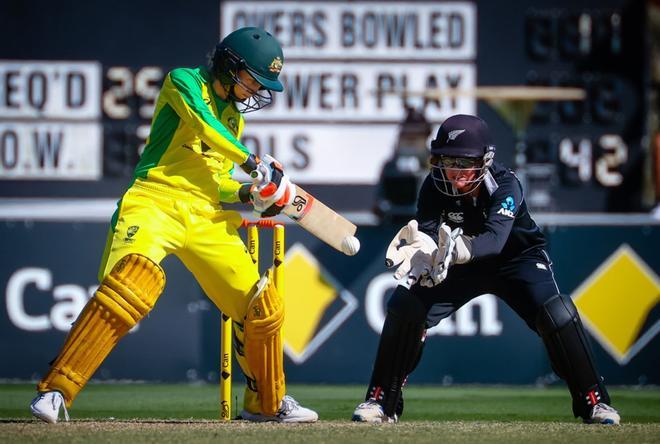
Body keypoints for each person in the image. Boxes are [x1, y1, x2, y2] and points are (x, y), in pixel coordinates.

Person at [29, 27, 317, 424]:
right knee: (135, 281)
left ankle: (266, 406)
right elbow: (202, 127)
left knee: (263, 307)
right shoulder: (183, 81)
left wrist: (250, 194)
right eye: (252, 79)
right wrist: (254, 165)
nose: (255, 91)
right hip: (154, 202)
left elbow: (214, 179)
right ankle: (57, 390)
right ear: (229, 66)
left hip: (205, 217)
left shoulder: (233, 119)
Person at [351, 114, 620, 425]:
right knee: (405, 304)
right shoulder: (433, 187)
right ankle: (381, 401)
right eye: (448, 161)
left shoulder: (507, 185)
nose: (455, 172)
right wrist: (423, 256)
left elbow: (494, 241)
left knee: (557, 313)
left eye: (464, 163)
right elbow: (426, 235)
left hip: (516, 260)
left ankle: (594, 403)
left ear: (485, 160)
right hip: (459, 264)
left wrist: (456, 249)